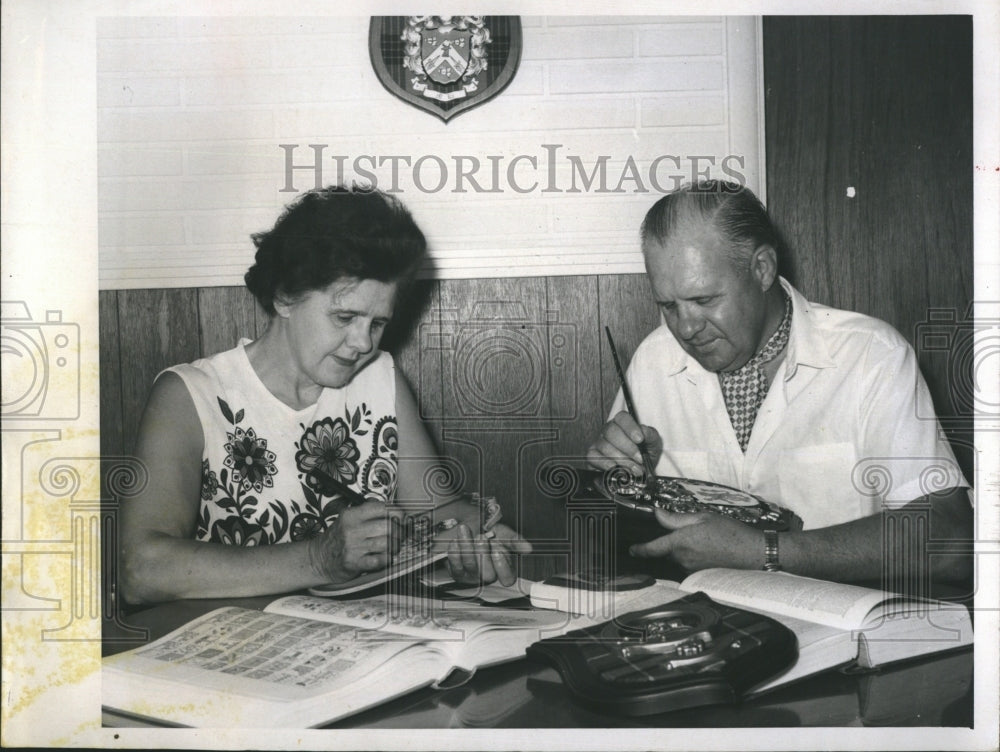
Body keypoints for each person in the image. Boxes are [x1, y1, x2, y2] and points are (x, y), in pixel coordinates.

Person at [121, 185, 529, 605]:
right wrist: (319, 559)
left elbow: (440, 510)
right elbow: (141, 569)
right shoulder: (190, 395)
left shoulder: (379, 378)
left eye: (376, 323)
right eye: (345, 316)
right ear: (284, 296)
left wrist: (476, 537)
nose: (363, 343)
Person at [586, 180, 972, 586]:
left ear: (762, 268)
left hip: (842, 637)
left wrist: (763, 552)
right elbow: (616, 536)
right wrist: (611, 478)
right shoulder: (653, 360)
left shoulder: (871, 355)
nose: (685, 327)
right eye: (668, 305)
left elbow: (949, 541)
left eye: (704, 300)